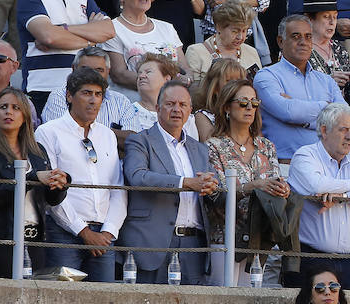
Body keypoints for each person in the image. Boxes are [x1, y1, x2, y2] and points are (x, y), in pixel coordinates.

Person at [119, 78, 216, 285]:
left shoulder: (200, 149)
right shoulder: (140, 140)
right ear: (157, 108)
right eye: (170, 104)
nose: (176, 110)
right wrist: (186, 183)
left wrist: (211, 186)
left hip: (194, 244)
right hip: (153, 243)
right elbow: (138, 177)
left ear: (190, 110)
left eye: (182, 105)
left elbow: (208, 186)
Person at [34, 67, 125, 282]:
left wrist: (108, 233)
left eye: (98, 94)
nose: (93, 100)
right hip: (63, 233)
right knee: (61, 303)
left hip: (103, 236)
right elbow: (52, 193)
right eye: (86, 93)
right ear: (69, 96)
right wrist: (84, 232)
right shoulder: (48, 132)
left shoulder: (108, 136)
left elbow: (118, 189)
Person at [287, 102, 350, 289]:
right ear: (324, 131)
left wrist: (341, 196)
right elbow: (317, 185)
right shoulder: (305, 155)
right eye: (343, 130)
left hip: (348, 261)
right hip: (310, 258)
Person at [15, 0, 115, 115]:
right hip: (44, 91)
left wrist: (64, 30)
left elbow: (109, 30)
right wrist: (91, 40)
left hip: (84, 92)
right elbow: (49, 36)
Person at [0, 87, 67, 278]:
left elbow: (51, 200)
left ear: (25, 116)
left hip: (36, 238)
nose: (9, 112)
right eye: (3, 107)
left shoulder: (37, 150)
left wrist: (59, 185)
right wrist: (33, 179)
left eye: (16, 108)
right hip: (2, 239)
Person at [203, 77, 287, 284]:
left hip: (260, 238)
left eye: (254, 103)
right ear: (226, 108)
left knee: (253, 303)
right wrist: (254, 186)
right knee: (222, 303)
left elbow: (275, 183)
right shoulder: (213, 146)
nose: (249, 107)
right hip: (225, 237)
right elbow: (215, 195)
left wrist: (282, 190)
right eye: (242, 103)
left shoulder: (267, 146)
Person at [254, 15, 344, 159]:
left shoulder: (326, 81)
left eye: (308, 37)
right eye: (296, 36)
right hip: (285, 166)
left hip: (326, 165)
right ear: (281, 41)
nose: (303, 42)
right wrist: (328, 107)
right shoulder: (266, 76)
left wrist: (301, 118)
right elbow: (289, 112)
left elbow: (344, 119)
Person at [103, 0, 184, 101]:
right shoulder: (111, 29)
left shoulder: (167, 28)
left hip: (170, 104)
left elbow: (184, 68)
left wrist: (186, 79)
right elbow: (120, 74)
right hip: (132, 107)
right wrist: (163, 84)